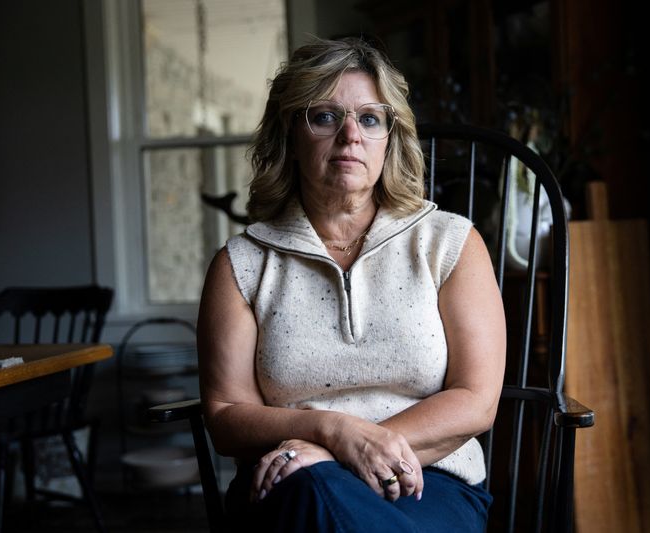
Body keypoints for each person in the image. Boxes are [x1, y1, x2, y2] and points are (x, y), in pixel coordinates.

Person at [197, 36, 506, 532]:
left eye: (369, 118)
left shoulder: (449, 242)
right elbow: (226, 415)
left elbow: (476, 399)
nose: (350, 136)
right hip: (292, 485)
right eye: (324, 116)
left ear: (390, 136)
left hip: (428, 482)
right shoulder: (243, 262)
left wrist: (343, 449)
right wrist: (331, 430)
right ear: (290, 136)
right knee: (316, 495)